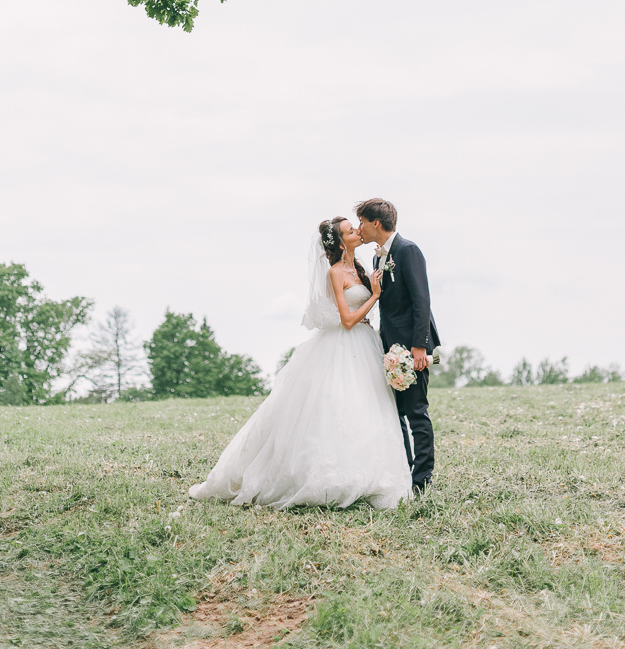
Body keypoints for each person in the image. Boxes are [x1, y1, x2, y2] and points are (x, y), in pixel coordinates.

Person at [188, 217, 412, 509]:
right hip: (342, 344)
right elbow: (345, 321)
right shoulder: (335, 272)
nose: (358, 231)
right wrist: (375, 296)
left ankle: (371, 474)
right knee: (335, 407)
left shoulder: (360, 268)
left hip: (364, 345)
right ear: (342, 242)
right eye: (350, 230)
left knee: (366, 406)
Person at [356, 198, 440, 494]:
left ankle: (423, 480)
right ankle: (404, 473)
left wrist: (420, 345)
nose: (359, 229)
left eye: (362, 223)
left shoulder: (408, 251)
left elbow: (421, 300)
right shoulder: (379, 258)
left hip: (412, 348)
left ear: (375, 223)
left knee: (416, 411)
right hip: (389, 346)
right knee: (396, 413)